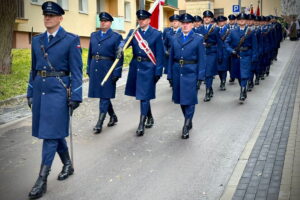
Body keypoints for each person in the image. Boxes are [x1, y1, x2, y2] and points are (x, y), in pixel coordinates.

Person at [26, 1, 83, 199]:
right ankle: (67, 163)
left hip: (60, 92)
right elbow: (33, 69)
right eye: (45, 15)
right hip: (41, 91)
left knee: (50, 134)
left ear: (60, 18)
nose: (47, 18)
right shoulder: (36, 40)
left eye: (51, 15)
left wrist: (76, 95)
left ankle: (41, 180)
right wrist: (30, 91)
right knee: (54, 131)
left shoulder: (71, 39)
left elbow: (77, 71)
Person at [121, 10, 164, 136]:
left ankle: (141, 123)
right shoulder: (134, 32)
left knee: (144, 96)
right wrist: (120, 46)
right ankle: (150, 117)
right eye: (139, 19)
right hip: (136, 67)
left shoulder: (156, 34)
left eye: (144, 19)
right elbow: (125, 42)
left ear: (149, 20)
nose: (141, 21)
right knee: (142, 95)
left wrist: (158, 71)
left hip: (149, 67)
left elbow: (160, 54)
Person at [167, 13, 205, 139]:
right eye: (183, 23)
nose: (185, 25)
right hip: (177, 71)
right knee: (181, 100)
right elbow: (171, 58)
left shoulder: (198, 38)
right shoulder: (175, 37)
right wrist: (170, 75)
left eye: (188, 23)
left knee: (189, 100)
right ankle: (188, 118)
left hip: (191, 72)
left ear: (192, 24)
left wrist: (200, 77)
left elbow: (202, 59)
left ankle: (186, 125)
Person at [87, 12, 123, 134]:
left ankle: (99, 123)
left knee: (104, 95)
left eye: (105, 21)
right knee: (103, 95)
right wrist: (88, 68)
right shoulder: (93, 35)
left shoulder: (116, 37)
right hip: (95, 67)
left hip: (108, 69)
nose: (103, 22)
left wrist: (117, 72)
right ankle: (112, 116)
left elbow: (119, 57)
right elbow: (90, 54)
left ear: (110, 23)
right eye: (101, 20)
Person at [225, 13, 257, 102]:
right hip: (236, 56)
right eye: (239, 19)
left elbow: (255, 45)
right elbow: (226, 43)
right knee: (239, 75)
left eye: (243, 19)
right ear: (237, 21)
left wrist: (254, 57)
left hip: (247, 55)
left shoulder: (251, 31)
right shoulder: (233, 31)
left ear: (246, 20)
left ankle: (242, 91)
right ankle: (243, 87)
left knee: (244, 75)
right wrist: (231, 50)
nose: (241, 20)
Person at [195, 10, 222, 102]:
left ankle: (207, 92)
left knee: (209, 73)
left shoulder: (216, 29)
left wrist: (220, 55)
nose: (206, 19)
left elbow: (220, 43)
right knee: (204, 72)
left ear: (211, 19)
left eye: (208, 18)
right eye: (205, 17)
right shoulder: (198, 29)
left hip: (212, 53)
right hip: (202, 53)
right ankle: (210, 89)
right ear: (203, 19)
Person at [217, 15, 230, 91]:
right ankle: (221, 79)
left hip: (225, 51)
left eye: (222, 21)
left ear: (224, 22)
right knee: (218, 69)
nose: (221, 23)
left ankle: (223, 82)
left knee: (224, 68)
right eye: (219, 21)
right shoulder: (215, 30)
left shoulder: (228, 30)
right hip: (217, 50)